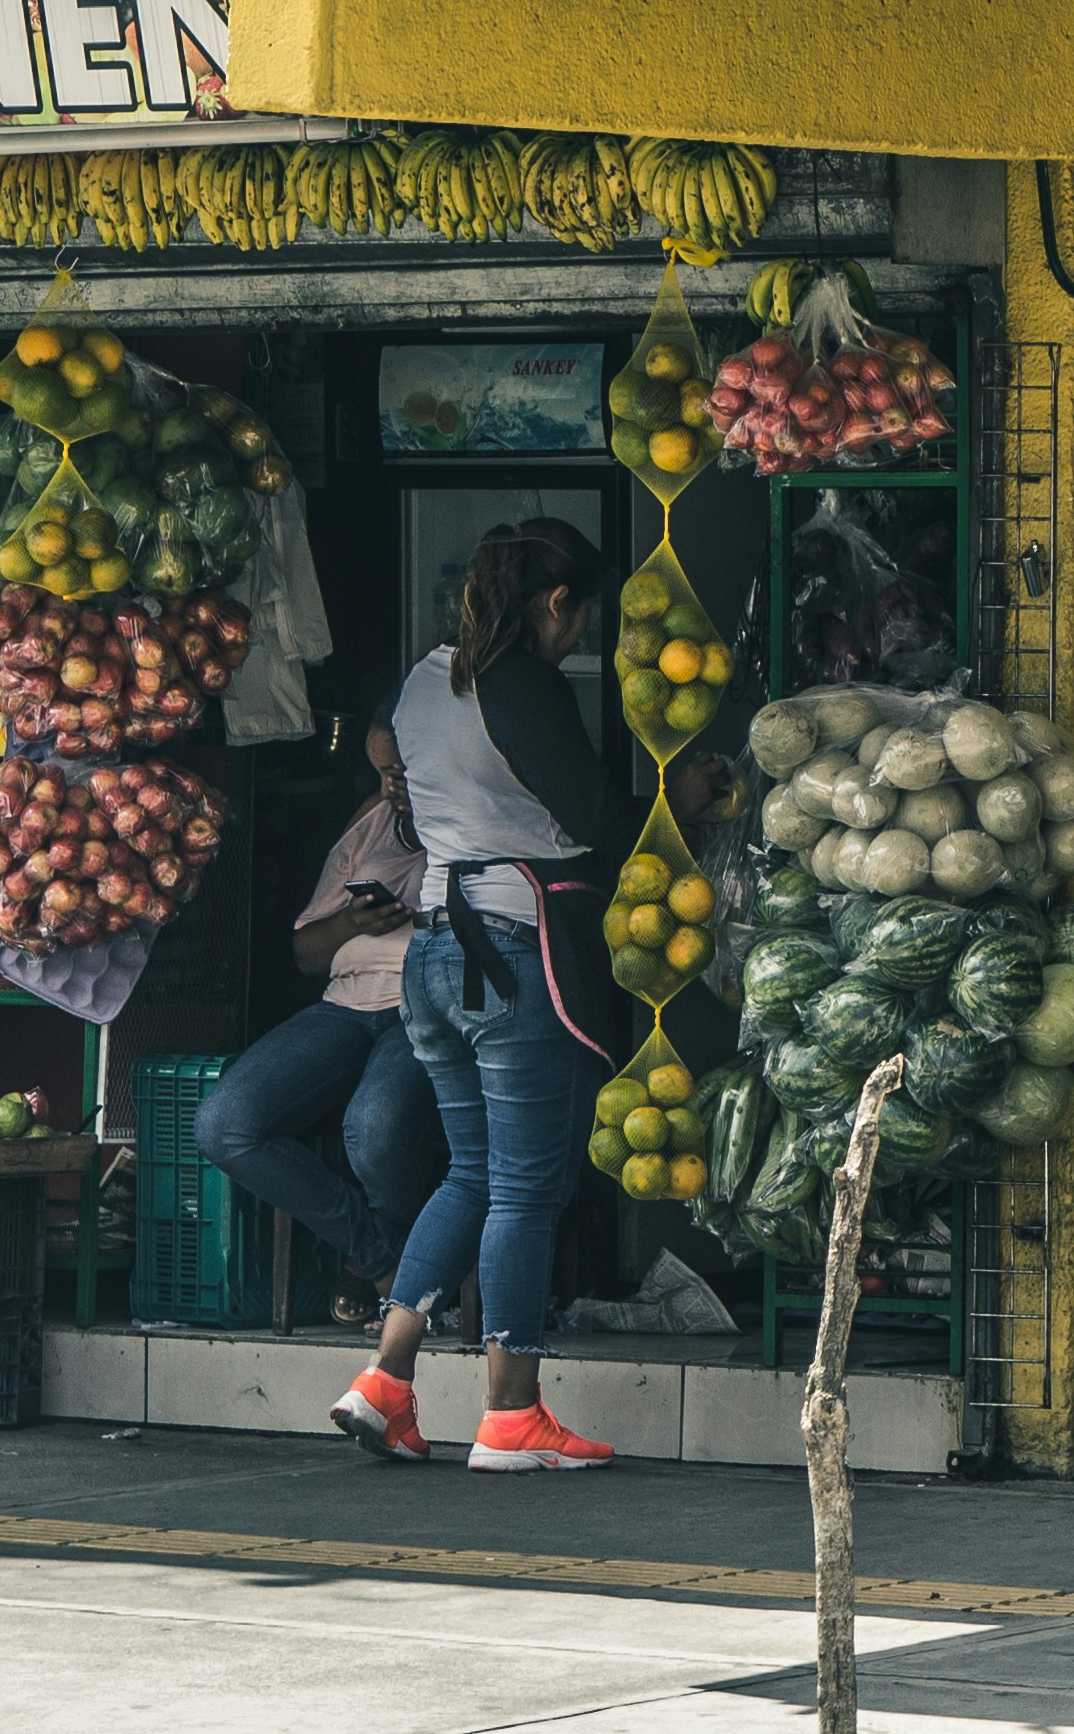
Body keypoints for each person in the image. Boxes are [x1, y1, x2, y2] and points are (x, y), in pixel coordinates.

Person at [335, 517, 721, 1473]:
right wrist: (690, 801)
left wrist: (426, 795)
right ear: (556, 604)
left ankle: (384, 1384)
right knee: (522, 1188)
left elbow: (388, 742)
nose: (580, 639)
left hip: (433, 948)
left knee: (470, 1174)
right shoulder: (525, 686)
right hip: (511, 950)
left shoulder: (428, 676)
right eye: (579, 620)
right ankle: (511, 1415)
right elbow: (594, 821)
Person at [195, 715, 443, 1320]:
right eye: (383, 773)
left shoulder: (472, 826)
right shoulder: (370, 822)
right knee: (225, 1122)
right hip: (342, 1007)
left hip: (421, 1008)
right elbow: (307, 955)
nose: (392, 788)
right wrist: (356, 922)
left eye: (403, 774)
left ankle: (381, 1266)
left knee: (375, 1129)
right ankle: (379, 1256)